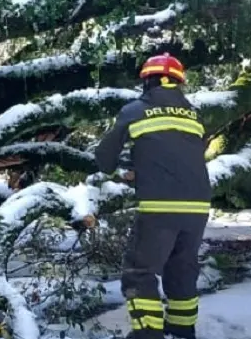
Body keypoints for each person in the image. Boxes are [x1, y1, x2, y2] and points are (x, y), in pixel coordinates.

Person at [94, 53, 210, 339]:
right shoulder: (194, 115)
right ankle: (183, 328)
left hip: (159, 206)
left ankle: (147, 333)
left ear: (147, 81)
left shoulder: (136, 109)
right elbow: (178, 155)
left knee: (139, 271)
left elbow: (104, 158)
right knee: (182, 267)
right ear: (178, 83)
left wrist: (123, 169)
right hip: (198, 206)